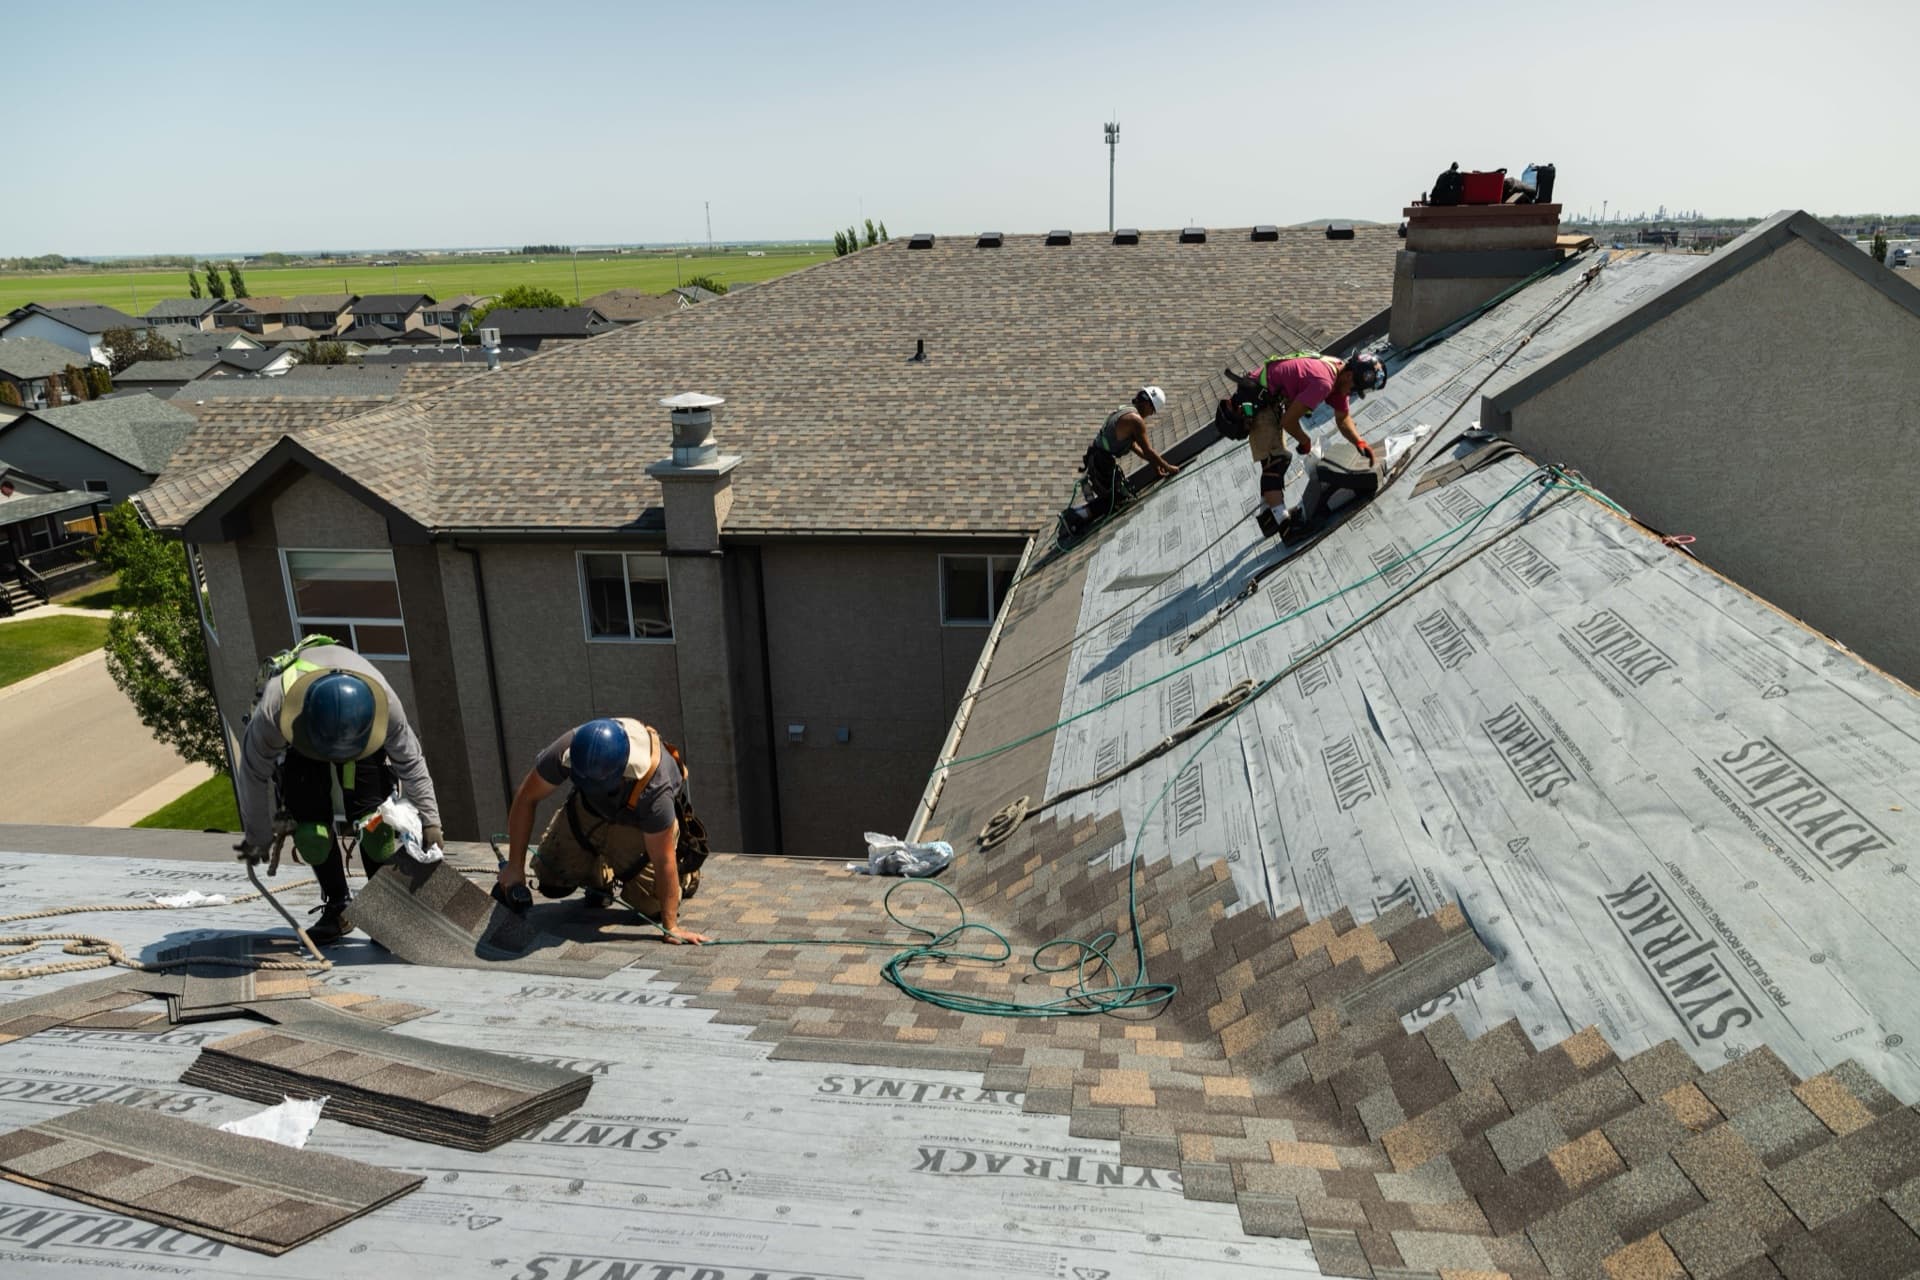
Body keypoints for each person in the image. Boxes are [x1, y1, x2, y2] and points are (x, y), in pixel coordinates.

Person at [235, 637, 443, 944]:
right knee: (312, 834)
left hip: (358, 732)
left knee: (376, 827)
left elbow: (411, 763)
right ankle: (338, 907)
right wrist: (257, 835)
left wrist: (430, 822)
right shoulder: (274, 711)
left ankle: (385, 912)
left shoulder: (384, 706)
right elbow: (252, 775)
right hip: (303, 736)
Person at [496, 717, 711, 945]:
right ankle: (600, 875)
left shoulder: (656, 785)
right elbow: (526, 798)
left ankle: (686, 877)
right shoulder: (567, 749)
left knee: (652, 906)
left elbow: (662, 858)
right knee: (551, 880)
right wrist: (515, 867)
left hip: (638, 824)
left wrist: (671, 927)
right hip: (590, 809)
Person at [1231, 353, 1386, 538]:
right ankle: (1286, 527)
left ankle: (1268, 518)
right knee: (1276, 461)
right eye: (1354, 389)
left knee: (1273, 461)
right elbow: (1288, 421)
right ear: (1350, 376)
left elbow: (1343, 418)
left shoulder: (1339, 371)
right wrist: (1304, 441)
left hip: (1269, 399)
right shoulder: (1324, 382)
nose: (1351, 393)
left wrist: (1359, 442)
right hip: (1255, 402)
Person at [1066, 385, 1179, 530]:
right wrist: (1168, 467)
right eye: (1152, 411)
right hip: (1101, 462)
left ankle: (1081, 513)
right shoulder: (1136, 421)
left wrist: (1155, 466)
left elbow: (1135, 447)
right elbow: (1148, 450)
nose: (1150, 415)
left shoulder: (1127, 412)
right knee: (1115, 500)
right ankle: (1075, 517)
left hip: (1098, 458)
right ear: (1148, 405)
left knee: (1117, 496)